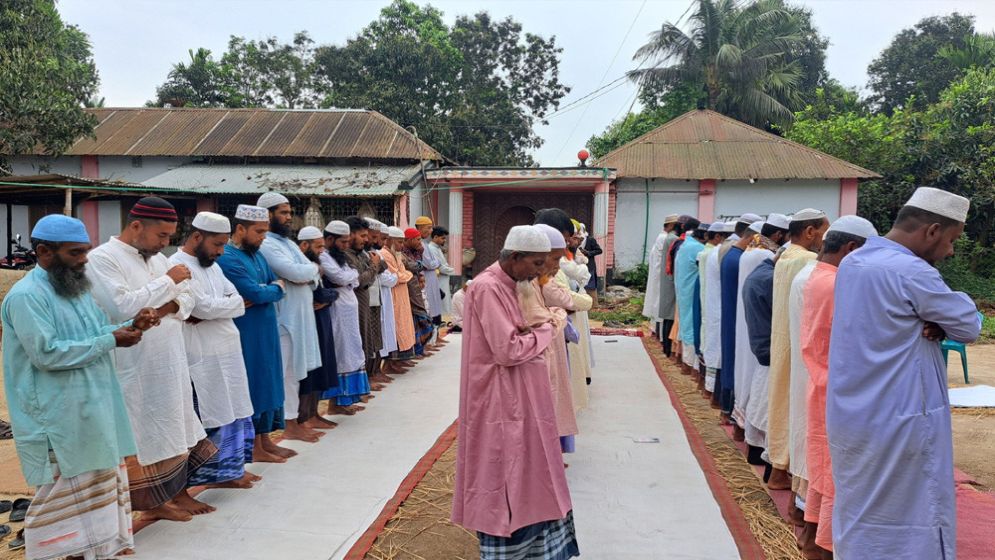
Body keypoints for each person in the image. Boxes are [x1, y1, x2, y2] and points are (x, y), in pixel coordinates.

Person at [827, 187, 980, 559]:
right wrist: (940, 321)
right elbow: (970, 325)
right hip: (903, 417)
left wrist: (934, 321)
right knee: (913, 513)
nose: (950, 251)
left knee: (860, 507)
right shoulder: (912, 271)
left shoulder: (854, 261)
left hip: (853, 413)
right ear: (932, 231)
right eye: (951, 239)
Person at [2, 215, 151, 560]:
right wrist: (111, 340)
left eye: (86, 251)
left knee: (97, 489)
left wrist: (133, 324)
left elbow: (98, 332)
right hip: (55, 416)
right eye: (75, 253)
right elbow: (46, 353)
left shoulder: (77, 289)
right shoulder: (27, 296)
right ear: (44, 252)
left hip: (94, 406)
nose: (85, 259)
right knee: (59, 500)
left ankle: (94, 552)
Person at [86, 197, 217, 522]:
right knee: (142, 432)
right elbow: (121, 307)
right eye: (161, 236)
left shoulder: (159, 260)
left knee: (172, 427)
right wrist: (168, 283)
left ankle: (166, 500)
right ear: (135, 226)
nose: (165, 243)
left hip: (169, 360)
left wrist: (161, 307)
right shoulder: (102, 259)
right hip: (133, 364)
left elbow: (188, 298)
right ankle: (147, 506)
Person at [452, 225, 578, 560]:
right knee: (506, 471)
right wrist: (549, 329)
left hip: (523, 395)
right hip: (499, 399)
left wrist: (540, 328)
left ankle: (540, 549)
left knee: (533, 468)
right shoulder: (488, 287)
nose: (542, 272)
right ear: (515, 257)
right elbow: (507, 350)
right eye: (537, 264)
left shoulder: (517, 283)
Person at [799, 216, 878, 559]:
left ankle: (813, 537)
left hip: (822, 386)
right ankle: (825, 547)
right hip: (839, 391)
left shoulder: (818, 276)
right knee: (836, 474)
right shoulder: (837, 285)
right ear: (851, 250)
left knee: (824, 467)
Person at [170, 212, 258, 490]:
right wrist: (220, 308)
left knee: (234, 407)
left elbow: (240, 303)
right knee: (211, 412)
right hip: (201, 354)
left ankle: (232, 472)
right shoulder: (176, 265)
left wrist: (216, 309)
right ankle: (210, 477)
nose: (221, 251)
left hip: (228, 349)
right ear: (197, 237)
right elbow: (200, 307)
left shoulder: (214, 266)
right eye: (217, 245)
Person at [217, 204, 295, 464]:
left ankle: (265, 440)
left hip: (267, 329)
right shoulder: (227, 257)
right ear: (240, 229)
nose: (263, 237)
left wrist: (270, 289)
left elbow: (277, 284)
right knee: (254, 385)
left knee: (270, 382)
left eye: (265, 232)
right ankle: (253, 448)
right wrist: (270, 290)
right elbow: (258, 292)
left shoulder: (258, 254)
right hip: (247, 333)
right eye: (259, 232)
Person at [768, 209, 829, 498]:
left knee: (783, 400)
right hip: (799, 341)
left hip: (783, 336)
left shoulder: (785, 256)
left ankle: (779, 467)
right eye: (823, 233)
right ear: (809, 231)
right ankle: (788, 475)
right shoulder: (807, 260)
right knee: (796, 406)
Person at [256, 192, 323, 443]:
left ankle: (294, 421)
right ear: (268, 215)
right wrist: (310, 271)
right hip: (283, 319)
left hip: (301, 318)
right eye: (283, 213)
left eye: (289, 213)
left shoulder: (290, 243)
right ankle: (287, 424)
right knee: (285, 374)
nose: (288, 217)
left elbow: (310, 273)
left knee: (295, 373)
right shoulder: (267, 244)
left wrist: (309, 272)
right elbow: (293, 272)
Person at [734, 215, 788, 466]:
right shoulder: (764, 260)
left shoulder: (753, 256)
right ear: (779, 235)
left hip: (754, 337)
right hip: (766, 341)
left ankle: (754, 445)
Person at [523, 224, 577, 453]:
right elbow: (538, 318)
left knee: (554, 397)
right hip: (537, 351)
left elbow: (563, 302)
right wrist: (558, 314)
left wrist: (557, 314)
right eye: (554, 259)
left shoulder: (541, 277)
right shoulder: (524, 281)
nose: (557, 266)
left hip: (551, 345)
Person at [320, 220, 372, 414]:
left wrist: (349, 276)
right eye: (342, 242)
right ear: (330, 239)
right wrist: (349, 276)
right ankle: (335, 404)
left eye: (347, 241)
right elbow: (341, 278)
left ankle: (346, 400)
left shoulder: (340, 258)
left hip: (348, 310)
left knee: (352, 352)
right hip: (337, 312)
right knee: (340, 354)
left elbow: (353, 275)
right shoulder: (324, 257)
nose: (345, 246)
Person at [717, 214, 761, 431]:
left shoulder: (733, 254)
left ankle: (728, 407)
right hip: (737, 316)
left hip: (732, 314)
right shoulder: (741, 258)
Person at [296, 226, 340, 431]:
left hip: (321, 319)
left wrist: (329, 298)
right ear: (304, 245)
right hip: (308, 322)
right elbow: (322, 295)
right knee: (310, 371)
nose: (322, 250)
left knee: (322, 366)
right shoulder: (300, 267)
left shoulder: (316, 265)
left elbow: (330, 292)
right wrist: (328, 297)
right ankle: (303, 417)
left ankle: (313, 414)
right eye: (318, 246)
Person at [343, 217, 388, 392]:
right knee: (358, 344)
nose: (367, 240)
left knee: (368, 341)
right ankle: (358, 387)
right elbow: (361, 281)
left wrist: (373, 264)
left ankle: (364, 384)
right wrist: (373, 265)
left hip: (365, 303)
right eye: (364, 236)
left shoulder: (362, 253)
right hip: (352, 306)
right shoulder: (347, 256)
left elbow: (382, 266)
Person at [698, 221, 728, 395]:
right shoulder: (714, 253)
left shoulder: (710, 252)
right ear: (718, 237)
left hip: (708, 302)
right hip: (715, 304)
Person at [644, 215, 679, 355]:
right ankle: (662, 338)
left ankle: (658, 332)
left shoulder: (662, 238)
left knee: (659, 306)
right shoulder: (666, 238)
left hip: (660, 277)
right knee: (663, 308)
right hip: (663, 277)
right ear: (671, 226)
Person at [382, 227, 418, 363]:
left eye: (403, 242)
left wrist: (403, 275)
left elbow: (403, 273)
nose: (402, 246)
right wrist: (404, 275)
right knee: (394, 327)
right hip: (392, 296)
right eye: (399, 242)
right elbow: (397, 275)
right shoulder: (384, 255)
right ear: (390, 240)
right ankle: (390, 363)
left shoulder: (396, 254)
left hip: (401, 295)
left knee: (403, 325)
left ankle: (399, 360)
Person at [674, 217, 704, 375]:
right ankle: (690, 365)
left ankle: (685, 362)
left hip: (683, 290)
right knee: (692, 325)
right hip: (691, 291)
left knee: (686, 324)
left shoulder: (685, 245)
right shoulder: (698, 248)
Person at [401, 227, 435, 356]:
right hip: (409, 290)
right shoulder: (403, 252)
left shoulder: (416, 251)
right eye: (417, 239)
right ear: (408, 240)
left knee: (421, 318)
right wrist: (419, 265)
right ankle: (416, 350)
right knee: (418, 318)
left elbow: (419, 266)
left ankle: (420, 349)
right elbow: (412, 266)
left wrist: (419, 268)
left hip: (416, 287)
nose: (420, 243)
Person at [415, 216, 445, 343]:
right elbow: (429, 263)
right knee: (428, 310)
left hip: (432, 279)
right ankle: (428, 342)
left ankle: (434, 339)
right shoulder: (419, 244)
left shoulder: (425, 244)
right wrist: (435, 262)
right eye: (428, 228)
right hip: (425, 280)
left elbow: (435, 263)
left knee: (435, 307)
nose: (430, 230)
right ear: (420, 228)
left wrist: (435, 262)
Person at [428, 226, 456, 315]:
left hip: (443, 279)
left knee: (445, 303)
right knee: (441, 304)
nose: (445, 240)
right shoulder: (431, 249)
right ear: (435, 237)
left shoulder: (437, 248)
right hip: (438, 280)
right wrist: (453, 271)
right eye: (443, 238)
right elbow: (440, 267)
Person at [577, 222, 602, 302]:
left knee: (590, 286)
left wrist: (588, 253)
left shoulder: (590, 240)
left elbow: (599, 250)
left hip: (589, 267)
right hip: (578, 267)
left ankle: (593, 304)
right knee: (580, 286)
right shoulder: (575, 239)